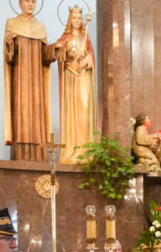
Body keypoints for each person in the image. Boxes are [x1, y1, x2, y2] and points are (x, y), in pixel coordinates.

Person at [4, 0, 58, 162]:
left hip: (37, 80)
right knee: (22, 111)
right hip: (20, 78)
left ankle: (39, 155)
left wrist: (56, 48)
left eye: (33, 1)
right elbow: (9, 57)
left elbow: (45, 56)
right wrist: (8, 43)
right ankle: (21, 154)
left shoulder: (40, 27)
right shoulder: (12, 24)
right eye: (27, 1)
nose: (30, 4)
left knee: (37, 113)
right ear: (20, 3)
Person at [53, 6, 97, 163]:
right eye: (74, 18)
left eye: (79, 18)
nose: (77, 21)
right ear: (69, 20)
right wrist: (65, 53)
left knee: (84, 109)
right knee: (72, 111)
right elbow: (57, 53)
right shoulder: (65, 38)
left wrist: (89, 59)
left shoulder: (86, 38)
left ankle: (85, 149)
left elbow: (91, 56)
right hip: (70, 78)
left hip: (83, 76)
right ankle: (72, 150)